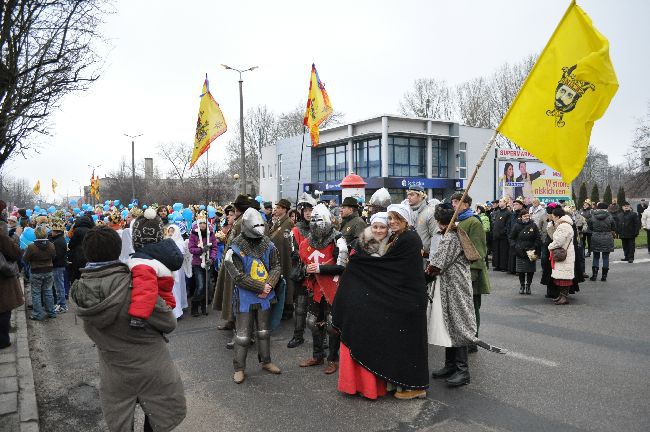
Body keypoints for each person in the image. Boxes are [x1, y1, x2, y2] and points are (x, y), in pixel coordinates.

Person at [71, 226, 186, 431]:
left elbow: (91, 331)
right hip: (153, 368)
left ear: (86, 251)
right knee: (158, 419)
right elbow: (169, 323)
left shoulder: (80, 291)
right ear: (119, 248)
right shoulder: (138, 283)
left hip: (114, 372)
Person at [333, 204, 429, 400]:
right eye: (390, 218)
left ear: (405, 219)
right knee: (398, 343)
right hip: (399, 298)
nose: (392, 222)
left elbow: (391, 268)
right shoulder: (398, 237)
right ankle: (399, 383)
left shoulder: (408, 238)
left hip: (407, 299)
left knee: (408, 344)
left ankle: (415, 387)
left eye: (395, 219)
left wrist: (361, 266)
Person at [333, 212, 390, 399]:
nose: (379, 230)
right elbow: (352, 271)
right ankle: (353, 384)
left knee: (375, 342)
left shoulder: (392, 246)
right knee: (355, 339)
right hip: (359, 298)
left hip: (380, 300)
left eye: (383, 227)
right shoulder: (360, 245)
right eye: (375, 227)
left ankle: (372, 386)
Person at [223, 208, 282, 384]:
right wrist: (260, 287)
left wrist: (269, 284)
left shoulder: (268, 244)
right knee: (243, 335)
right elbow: (238, 276)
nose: (258, 227)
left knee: (263, 331)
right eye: (255, 224)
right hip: (246, 296)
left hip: (265, 294)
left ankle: (266, 361)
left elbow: (276, 266)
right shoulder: (235, 247)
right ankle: (239, 368)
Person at [428, 205, 478, 388]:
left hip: (455, 286)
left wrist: (424, 277)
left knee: (458, 325)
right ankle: (450, 365)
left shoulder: (450, 236)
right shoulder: (453, 232)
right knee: (447, 324)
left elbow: (437, 264)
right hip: (448, 285)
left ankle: (462, 370)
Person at [298, 204, 348, 375]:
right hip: (314, 288)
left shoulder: (338, 240)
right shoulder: (307, 241)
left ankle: (333, 359)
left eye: (319, 219)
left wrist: (319, 269)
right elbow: (302, 266)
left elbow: (342, 267)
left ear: (327, 220)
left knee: (332, 326)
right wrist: (306, 270)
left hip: (333, 288)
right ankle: (317, 355)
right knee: (312, 322)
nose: (316, 223)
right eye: (313, 219)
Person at [127, 209, 184, 329]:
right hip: (163, 302)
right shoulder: (158, 257)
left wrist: (138, 316)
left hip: (152, 309)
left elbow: (145, 290)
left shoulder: (143, 264)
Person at [451, 193, 490, 353]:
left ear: (465, 204)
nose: (453, 205)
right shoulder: (458, 221)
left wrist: (471, 274)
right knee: (462, 308)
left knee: (472, 308)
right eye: (453, 202)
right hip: (459, 272)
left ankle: (473, 339)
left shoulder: (473, 222)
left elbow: (478, 250)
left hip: (471, 272)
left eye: (456, 202)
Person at [214, 194, 251, 331]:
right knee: (231, 294)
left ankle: (239, 327)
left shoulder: (243, 222)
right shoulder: (239, 221)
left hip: (237, 265)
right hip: (231, 262)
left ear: (236, 208)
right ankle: (231, 320)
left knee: (237, 295)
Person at [287, 194, 316, 348]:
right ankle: (298, 335)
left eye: (311, 210)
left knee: (319, 308)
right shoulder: (296, 230)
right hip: (302, 271)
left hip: (318, 272)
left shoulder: (320, 228)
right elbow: (294, 252)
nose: (309, 213)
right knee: (300, 305)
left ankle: (321, 337)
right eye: (306, 210)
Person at [268, 199, 295, 321]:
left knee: (287, 281)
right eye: (276, 207)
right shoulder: (277, 222)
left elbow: (288, 242)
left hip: (285, 257)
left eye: (279, 207)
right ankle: (281, 305)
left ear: (285, 209)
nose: (276, 209)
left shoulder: (288, 223)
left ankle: (288, 307)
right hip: (277, 256)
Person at [0, 217, 24, 349]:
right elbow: (14, 252)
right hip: (2, 280)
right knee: (3, 309)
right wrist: (16, 236)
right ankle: (3, 340)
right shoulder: (2, 237)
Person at [24, 226, 57, 320]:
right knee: (48, 291)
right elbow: (54, 256)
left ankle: (38, 314)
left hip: (36, 271)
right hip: (48, 270)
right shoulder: (51, 245)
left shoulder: (31, 247)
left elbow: (25, 259)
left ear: (36, 234)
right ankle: (51, 312)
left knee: (36, 293)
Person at [188, 212, 217, 317]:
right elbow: (191, 249)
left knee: (206, 285)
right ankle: (195, 306)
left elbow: (214, 247)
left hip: (208, 263)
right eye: (200, 223)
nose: (202, 225)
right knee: (200, 286)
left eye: (204, 223)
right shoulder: (193, 234)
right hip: (197, 263)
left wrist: (212, 258)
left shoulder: (211, 234)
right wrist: (201, 250)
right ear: (197, 224)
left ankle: (204, 306)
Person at [509, 209, 542, 295]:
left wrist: (534, 247)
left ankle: (528, 286)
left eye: (528, 215)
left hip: (531, 251)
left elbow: (538, 238)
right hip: (520, 250)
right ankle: (522, 285)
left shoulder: (533, 225)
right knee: (521, 270)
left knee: (530, 270)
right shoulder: (516, 225)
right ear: (521, 217)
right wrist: (515, 246)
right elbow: (511, 237)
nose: (527, 217)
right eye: (524, 216)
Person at [547, 207, 575, 305]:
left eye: (553, 216)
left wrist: (550, 246)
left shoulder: (563, 226)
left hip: (563, 254)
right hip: (564, 253)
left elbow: (559, 241)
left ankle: (564, 297)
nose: (552, 218)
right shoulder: (565, 224)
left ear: (557, 216)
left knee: (564, 277)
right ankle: (561, 296)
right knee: (562, 276)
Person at [407, 185, 439, 265]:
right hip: (410, 257)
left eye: (412, 194)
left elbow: (436, 237)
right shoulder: (407, 212)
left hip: (425, 259)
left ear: (420, 196)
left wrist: (432, 261)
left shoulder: (430, 213)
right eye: (408, 195)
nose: (408, 197)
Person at [167, 224, 191, 319]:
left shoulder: (180, 242)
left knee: (178, 287)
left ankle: (180, 306)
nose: (170, 233)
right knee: (173, 288)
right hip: (169, 268)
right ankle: (176, 309)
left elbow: (182, 254)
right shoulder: (166, 241)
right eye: (169, 231)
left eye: (173, 231)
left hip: (177, 268)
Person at [588, 202, 616, 281]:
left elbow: (590, 226)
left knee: (596, 257)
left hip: (595, 237)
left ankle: (594, 275)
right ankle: (604, 276)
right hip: (607, 237)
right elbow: (614, 227)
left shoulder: (593, 216)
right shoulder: (610, 216)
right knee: (606, 257)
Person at [48, 219, 68, 313]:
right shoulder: (58, 239)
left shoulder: (58, 242)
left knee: (59, 286)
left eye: (52, 231)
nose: (51, 232)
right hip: (58, 265)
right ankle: (60, 303)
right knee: (59, 285)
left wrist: (50, 259)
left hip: (57, 266)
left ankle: (62, 305)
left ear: (57, 232)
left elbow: (57, 256)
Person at [67, 214, 95, 282]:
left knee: (77, 273)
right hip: (89, 253)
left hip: (77, 254)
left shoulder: (77, 230)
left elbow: (71, 244)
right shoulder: (92, 230)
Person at [491, 199, 511, 272]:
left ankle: (503, 266)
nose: (499, 203)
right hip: (496, 235)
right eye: (499, 202)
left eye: (501, 202)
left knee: (503, 252)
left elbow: (508, 225)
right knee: (496, 251)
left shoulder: (508, 213)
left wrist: (502, 232)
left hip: (503, 236)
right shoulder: (498, 212)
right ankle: (497, 265)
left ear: (505, 203)